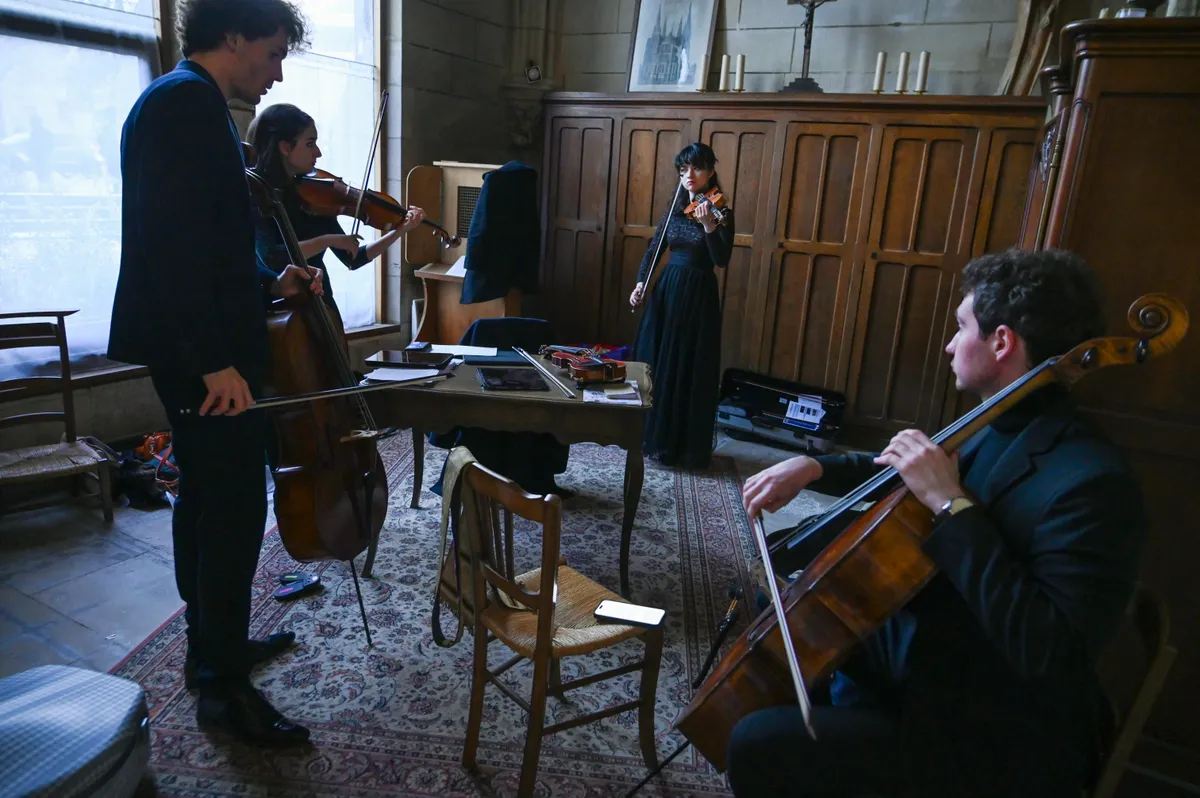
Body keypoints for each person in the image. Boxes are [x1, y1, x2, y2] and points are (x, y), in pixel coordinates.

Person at [729, 249, 1146, 797]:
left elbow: (1049, 654)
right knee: (785, 600)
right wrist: (814, 466)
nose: (949, 344)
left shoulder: (1093, 483)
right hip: (942, 650)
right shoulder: (1000, 419)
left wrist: (951, 504)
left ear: (1002, 343)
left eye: (961, 327)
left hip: (990, 730)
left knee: (757, 743)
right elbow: (913, 465)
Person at [108, 0, 320, 746]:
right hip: (205, 356)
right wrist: (212, 362)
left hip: (209, 345)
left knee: (207, 500)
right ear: (231, 38)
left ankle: (214, 651)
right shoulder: (182, 106)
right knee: (230, 512)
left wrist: (272, 285)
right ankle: (222, 691)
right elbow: (169, 247)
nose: (276, 72)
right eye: (270, 53)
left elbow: (215, 247)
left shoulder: (191, 104)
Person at [246, 102, 425, 315]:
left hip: (321, 303)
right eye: (310, 143)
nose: (318, 153)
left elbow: (353, 258)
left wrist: (400, 231)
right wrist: (328, 240)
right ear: (285, 147)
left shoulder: (314, 194)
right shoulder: (257, 193)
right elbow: (272, 257)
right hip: (281, 309)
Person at [629, 142, 734, 469]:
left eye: (696, 168)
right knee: (657, 361)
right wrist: (640, 283)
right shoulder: (675, 207)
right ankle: (653, 438)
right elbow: (655, 248)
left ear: (710, 172)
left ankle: (681, 445)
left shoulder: (721, 211)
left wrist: (708, 227)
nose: (689, 175)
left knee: (686, 365)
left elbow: (722, 260)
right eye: (683, 169)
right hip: (669, 289)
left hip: (698, 292)